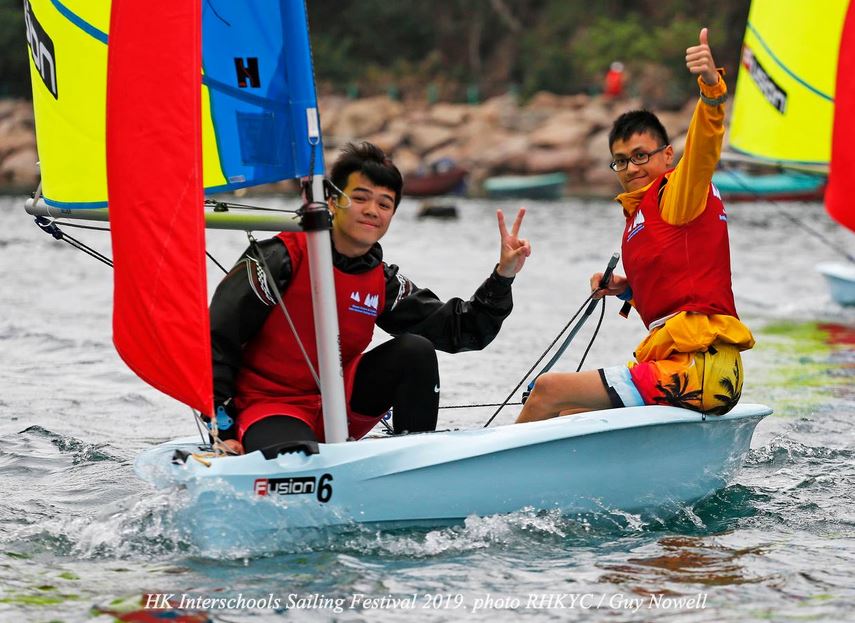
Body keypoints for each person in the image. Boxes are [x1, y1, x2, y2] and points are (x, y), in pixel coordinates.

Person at [209, 142, 531, 456]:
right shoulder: (276, 260)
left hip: (340, 407)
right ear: (332, 202)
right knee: (295, 459)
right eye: (360, 198)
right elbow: (216, 339)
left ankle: (415, 463)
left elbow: (461, 330)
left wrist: (503, 276)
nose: (371, 211)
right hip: (270, 408)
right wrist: (222, 430)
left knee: (414, 350)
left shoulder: (381, 280)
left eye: (384, 204)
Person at [517, 28, 754, 423]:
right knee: (567, 411)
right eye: (621, 161)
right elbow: (676, 296)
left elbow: (704, 147)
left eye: (641, 155)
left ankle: (503, 479)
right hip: (706, 373)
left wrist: (712, 90)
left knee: (547, 390)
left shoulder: (678, 193)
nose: (631, 168)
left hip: (697, 370)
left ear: (666, 155)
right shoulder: (641, 216)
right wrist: (626, 290)